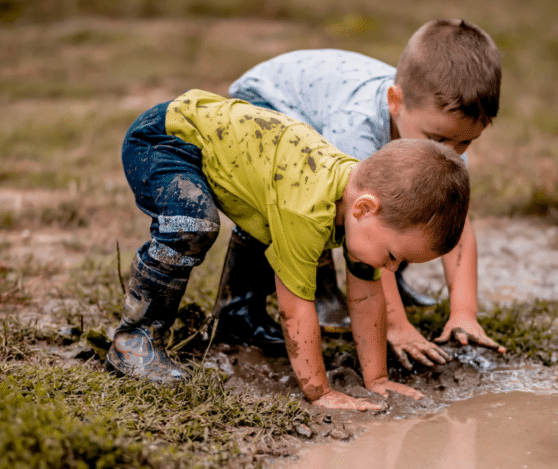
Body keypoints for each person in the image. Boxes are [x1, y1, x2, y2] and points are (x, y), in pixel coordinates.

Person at [107, 89, 471, 411]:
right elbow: (295, 308)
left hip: (224, 153)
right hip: (166, 139)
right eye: (394, 255)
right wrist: (319, 391)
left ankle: (237, 319)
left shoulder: (358, 204)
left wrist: (376, 381)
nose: (392, 267)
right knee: (194, 223)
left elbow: (365, 297)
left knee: (268, 226)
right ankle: (133, 338)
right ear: (364, 208)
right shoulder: (306, 210)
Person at [218, 18, 507, 369]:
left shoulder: (441, 133)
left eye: (466, 142)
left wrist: (463, 313)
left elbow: (455, 222)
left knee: (415, 205)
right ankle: (250, 307)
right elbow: (371, 226)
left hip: (320, 105)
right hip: (269, 103)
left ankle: (391, 286)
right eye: (439, 140)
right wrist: (396, 328)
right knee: (302, 204)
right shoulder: (357, 128)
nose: (452, 152)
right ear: (395, 102)